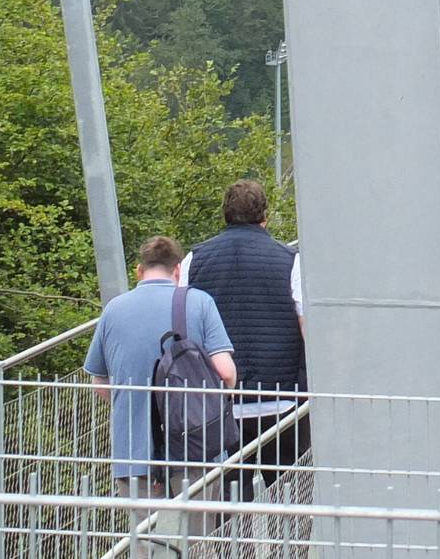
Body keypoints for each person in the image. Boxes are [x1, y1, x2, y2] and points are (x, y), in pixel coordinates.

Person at [85, 236, 235, 497]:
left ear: (139, 270)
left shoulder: (113, 310)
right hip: (196, 448)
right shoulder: (200, 302)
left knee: (144, 525)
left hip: (133, 453)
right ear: (177, 269)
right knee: (198, 524)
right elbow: (226, 372)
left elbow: (99, 382)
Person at [179, 181, 306, 481]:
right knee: (290, 491)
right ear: (265, 216)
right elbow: (306, 328)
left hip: (219, 405)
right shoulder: (291, 260)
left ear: (225, 214)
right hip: (281, 399)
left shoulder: (193, 260)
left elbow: (182, 326)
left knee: (230, 496)